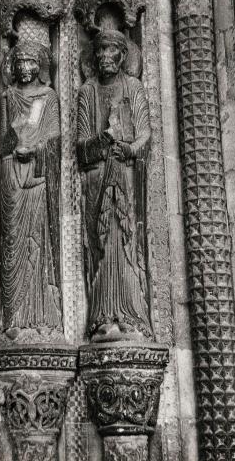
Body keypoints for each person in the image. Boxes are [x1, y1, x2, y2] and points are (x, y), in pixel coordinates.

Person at [77, 29, 152, 342]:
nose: (106, 56)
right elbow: (81, 147)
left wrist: (130, 149)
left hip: (124, 176)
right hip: (97, 180)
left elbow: (145, 134)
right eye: (101, 51)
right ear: (94, 57)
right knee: (101, 245)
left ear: (123, 56)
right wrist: (102, 139)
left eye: (112, 51)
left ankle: (131, 316)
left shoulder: (132, 87)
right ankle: (102, 317)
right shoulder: (88, 91)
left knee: (125, 242)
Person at [0, 40, 62, 341]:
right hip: (12, 180)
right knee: (13, 246)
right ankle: (13, 315)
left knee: (37, 245)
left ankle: (41, 316)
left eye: (30, 62)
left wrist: (36, 149)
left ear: (40, 66)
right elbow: (0, 142)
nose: (24, 67)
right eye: (19, 62)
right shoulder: (8, 97)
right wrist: (13, 146)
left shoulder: (48, 98)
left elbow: (55, 141)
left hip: (36, 179)